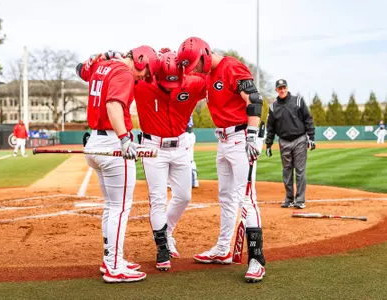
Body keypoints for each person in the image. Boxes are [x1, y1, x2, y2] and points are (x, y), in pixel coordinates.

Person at [177, 37, 266, 282]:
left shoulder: (231, 67)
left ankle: (257, 259)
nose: (194, 70)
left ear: (206, 54)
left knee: (246, 198)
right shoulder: (205, 75)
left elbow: (254, 100)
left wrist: (252, 134)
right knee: (226, 196)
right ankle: (223, 249)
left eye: (196, 65)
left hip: (240, 138)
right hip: (223, 139)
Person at [76, 45, 159, 283]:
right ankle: (114, 266)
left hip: (95, 142)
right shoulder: (123, 72)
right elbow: (113, 105)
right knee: (120, 208)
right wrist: (125, 139)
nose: (143, 78)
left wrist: (96, 57)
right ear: (140, 61)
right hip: (113, 144)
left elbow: (80, 69)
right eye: (145, 72)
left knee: (112, 206)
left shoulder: (103, 66)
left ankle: (110, 259)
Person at [134, 50, 206, 271]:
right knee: (157, 199)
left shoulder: (193, 83)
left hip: (181, 145)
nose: (169, 87)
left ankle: (167, 230)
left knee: (184, 196)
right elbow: (115, 75)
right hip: (153, 148)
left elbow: (216, 77)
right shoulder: (141, 83)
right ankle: (162, 247)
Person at [265, 79, 315, 209]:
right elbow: (270, 127)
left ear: (287, 88)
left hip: (300, 139)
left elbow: (308, 119)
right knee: (287, 171)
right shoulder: (273, 106)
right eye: (279, 88)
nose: (282, 90)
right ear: (276, 90)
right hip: (284, 141)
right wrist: (268, 144)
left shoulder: (298, 101)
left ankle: (300, 200)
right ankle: (289, 198)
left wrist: (311, 137)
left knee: (300, 170)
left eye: (284, 88)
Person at [186, 114, 199, 188]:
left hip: (185, 135)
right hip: (191, 134)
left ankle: (192, 181)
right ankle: (194, 181)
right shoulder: (189, 104)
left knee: (180, 160)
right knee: (190, 159)